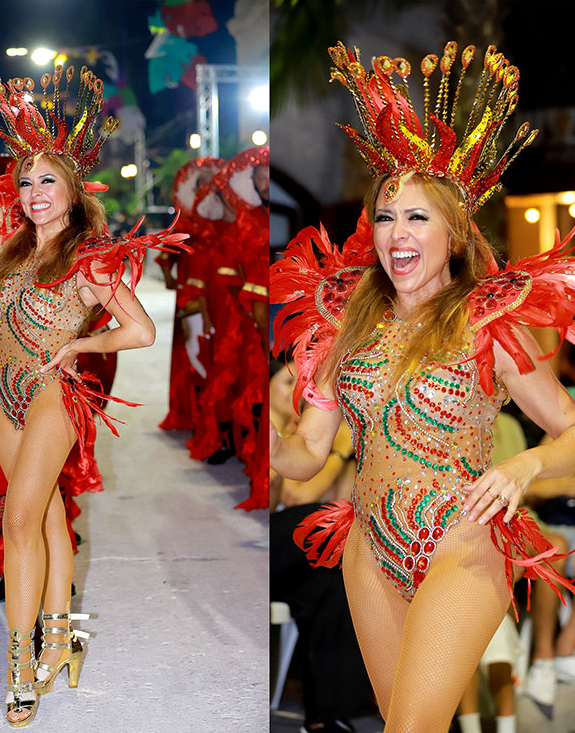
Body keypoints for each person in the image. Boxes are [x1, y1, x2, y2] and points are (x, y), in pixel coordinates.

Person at [270, 41, 575, 731]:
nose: (396, 232)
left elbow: (569, 428)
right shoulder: (347, 327)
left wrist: (525, 464)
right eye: (385, 215)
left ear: (456, 233)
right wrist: (261, 427)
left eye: (415, 217)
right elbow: (307, 452)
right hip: (366, 550)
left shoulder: (488, 322)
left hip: (464, 543)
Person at [0, 48, 187, 726]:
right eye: (28, 182)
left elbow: (142, 331)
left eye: (48, 182)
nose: (34, 192)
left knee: (16, 519)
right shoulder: (10, 240)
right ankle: (64, 637)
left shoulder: (89, 259)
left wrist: (80, 343)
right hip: (0, 385)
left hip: (52, 393)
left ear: (72, 193)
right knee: (42, 516)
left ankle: (21, 667)